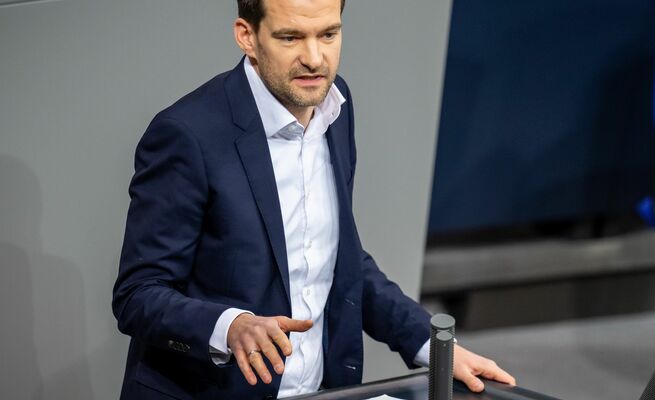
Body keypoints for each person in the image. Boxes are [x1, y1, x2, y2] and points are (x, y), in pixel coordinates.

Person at [112, 0, 516, 398]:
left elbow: (340, 260)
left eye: (328, 34)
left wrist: (434, 348)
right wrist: (230, 326)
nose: (314, 58)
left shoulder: (335, 105)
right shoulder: (187, 134)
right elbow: (139, 294)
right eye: (290, 37)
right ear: (247, 37)